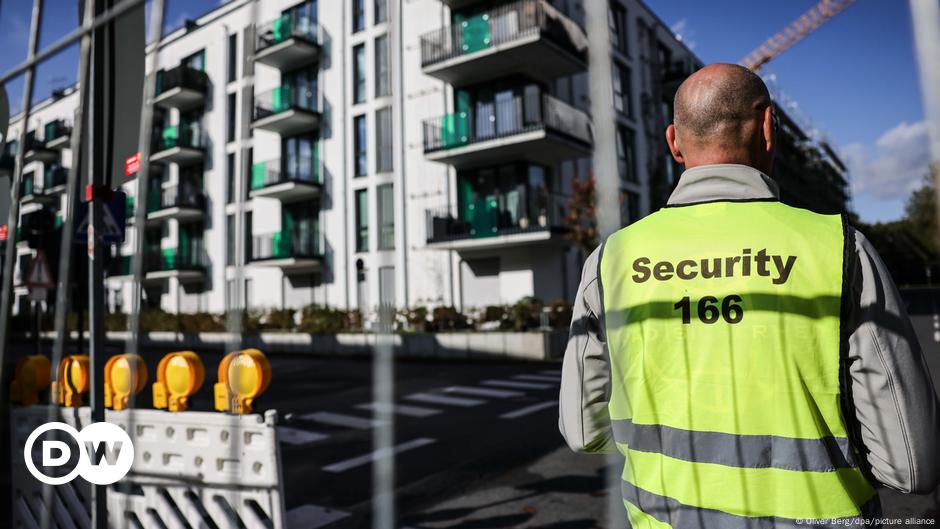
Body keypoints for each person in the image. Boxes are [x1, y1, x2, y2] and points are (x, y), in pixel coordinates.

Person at [559, 63, 940, 527]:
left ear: (673, 143)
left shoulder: (609, 261)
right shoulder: (838, 250)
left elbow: (582, 431)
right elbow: (912, 465)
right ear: (766, 126)